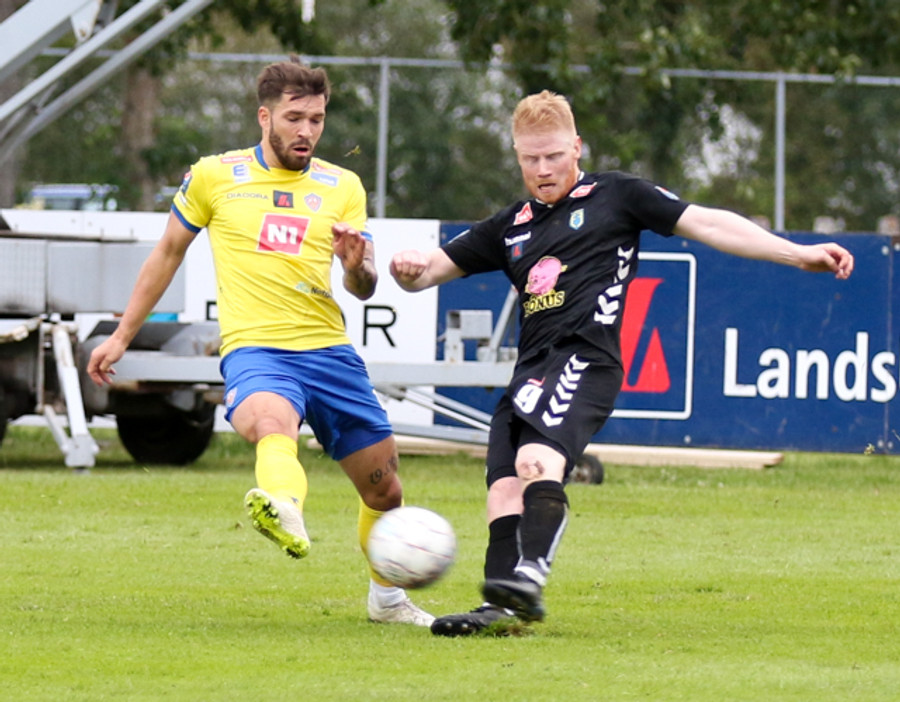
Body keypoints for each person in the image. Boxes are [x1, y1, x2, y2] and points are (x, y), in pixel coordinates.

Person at [390, 89, 854, 636]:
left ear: (577, 147)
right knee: (503, 487)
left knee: (538, 461)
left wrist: (797, 253)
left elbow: (708, 223)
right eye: (531, 158)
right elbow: (426, 274)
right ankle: (500, 609)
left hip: (587, 358)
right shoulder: (511, 225)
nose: (543, 169)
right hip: (531, 369)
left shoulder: (617, 195)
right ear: (517, 154)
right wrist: (405, 267)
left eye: (554, 156)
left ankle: (529, 578)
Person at [87, 56, 433, 627]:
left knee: (386, 492)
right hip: (258, 349)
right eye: (295, 118)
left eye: (317, 120)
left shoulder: (342, 186)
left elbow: (363, 287)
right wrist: (123, 335)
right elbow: (167, 254)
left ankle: (389, 602)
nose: (307, 132)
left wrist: (356, 265)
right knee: (272, 425)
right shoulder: (214, 176)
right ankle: (285, 507)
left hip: (329, 352)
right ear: (264, 117)